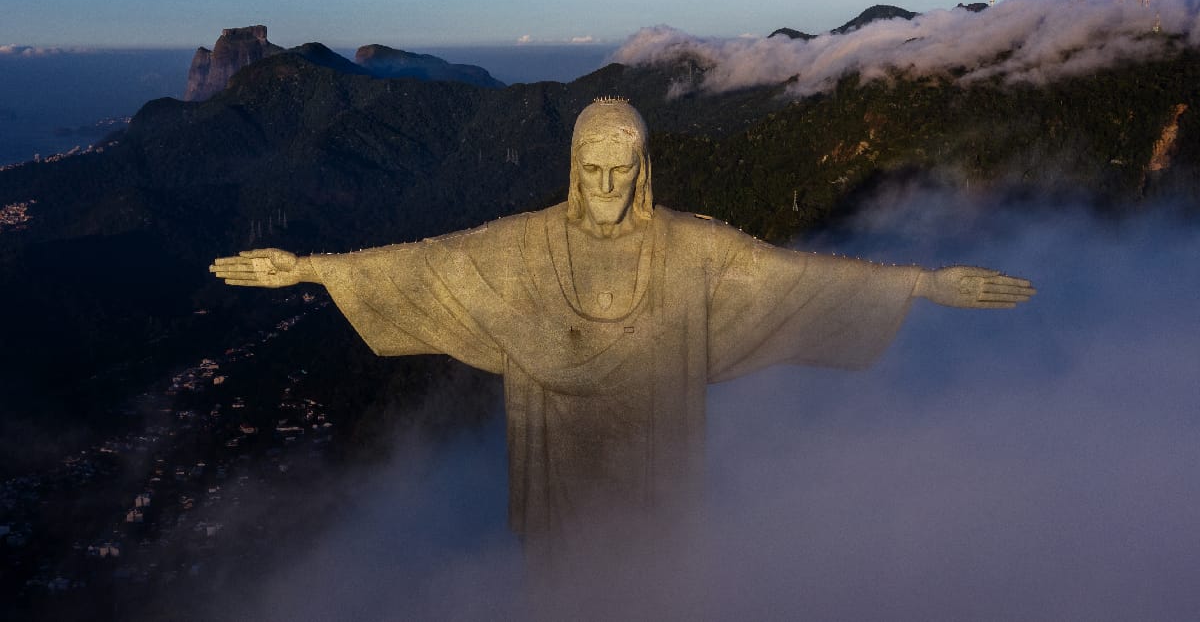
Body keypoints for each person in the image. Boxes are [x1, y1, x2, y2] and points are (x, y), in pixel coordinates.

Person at [210, 98, 1034, 544]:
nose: (607, 185)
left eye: (622, 169)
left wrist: (923, 283)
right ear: (575, 170)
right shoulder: (523, 247)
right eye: (593, 169)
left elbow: (794, 278)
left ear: (643, 170)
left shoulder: (692, 249)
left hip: (653, 480)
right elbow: (431, 262)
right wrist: (310, 269)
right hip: (554, 481)